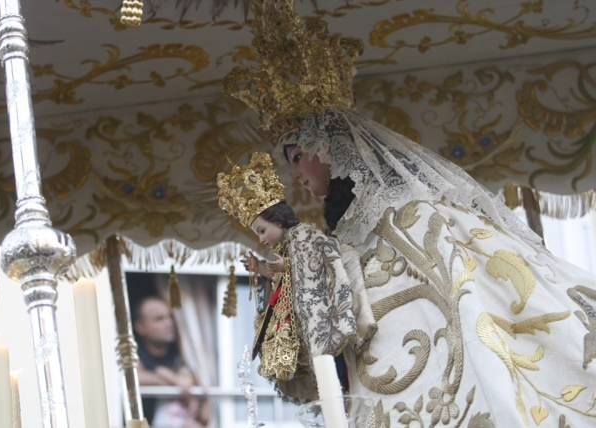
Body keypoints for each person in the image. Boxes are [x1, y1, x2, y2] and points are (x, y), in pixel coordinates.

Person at [223, 1, 596, 426]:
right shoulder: (353, 231)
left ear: (321, 148)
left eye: (296, 158)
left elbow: (450, 298)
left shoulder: (412, 215)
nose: (297, 178)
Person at [217, 152, 371, 403]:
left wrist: (273, 267)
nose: (262, 238)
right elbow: (285, 271)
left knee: (336, 376)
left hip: (319, 318)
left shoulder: (302, 236)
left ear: (278, 220)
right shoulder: (286, 247)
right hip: (298, 321)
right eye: (258, 233)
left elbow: (307, 266)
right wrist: (263, 270)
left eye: (263, 230)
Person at [133, 295, 209, 427]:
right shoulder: (133, 354)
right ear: (140, 327)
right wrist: (171, 379)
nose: (169, 323)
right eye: (159, 319)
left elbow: (203, 411)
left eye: (170, 317)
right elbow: (132, 378)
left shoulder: (185, 354)